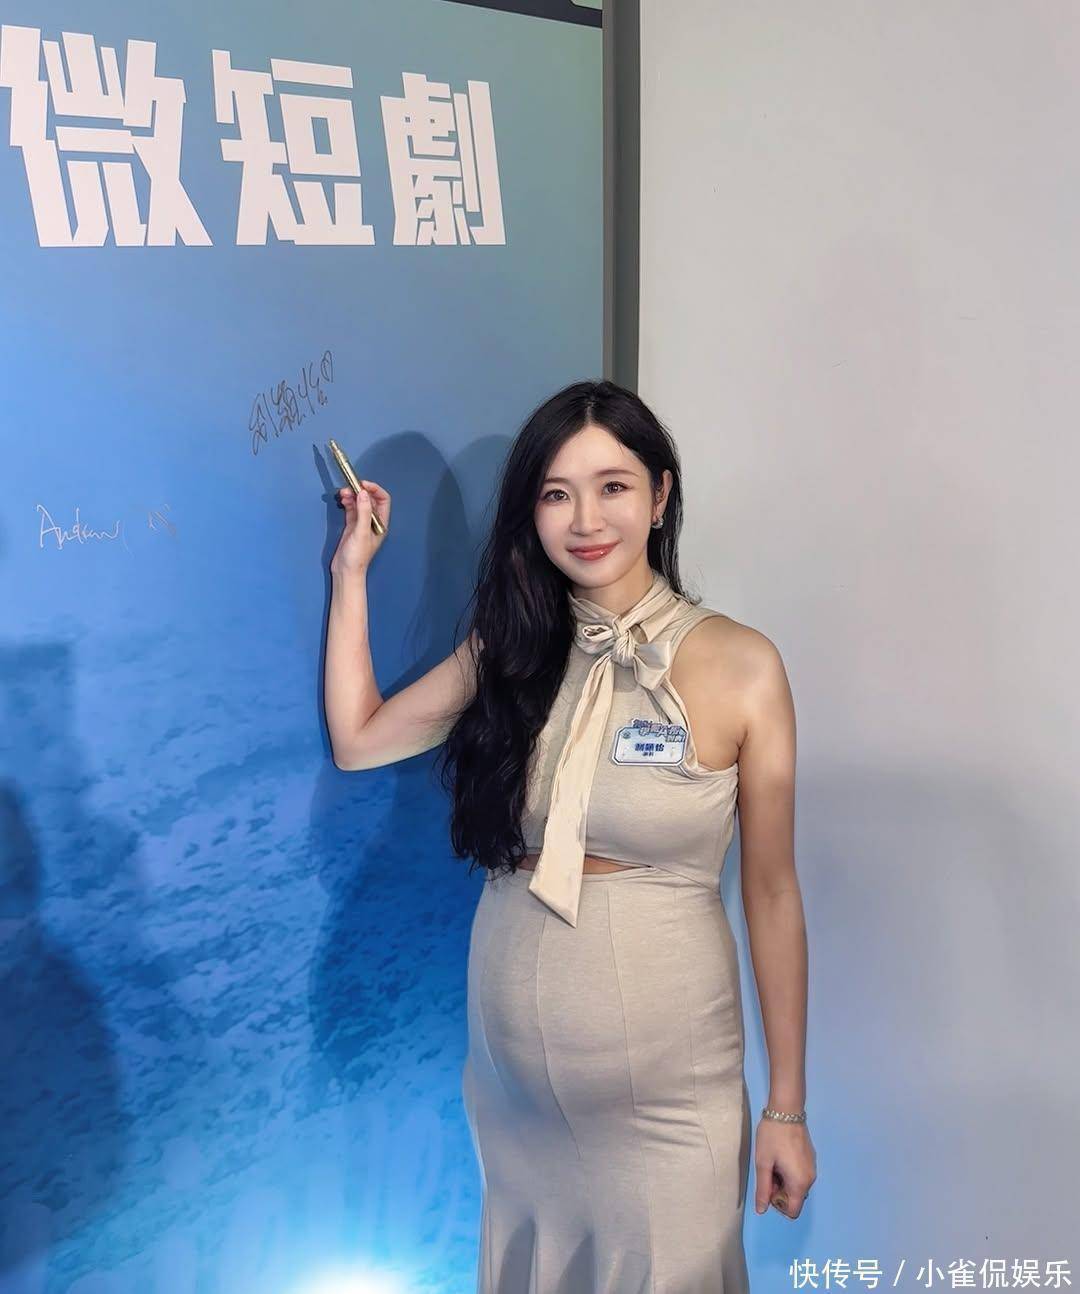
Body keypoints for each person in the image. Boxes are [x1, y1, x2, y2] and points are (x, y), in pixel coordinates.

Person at [324, 378, 816, 1293]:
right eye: (556, 494)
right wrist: (351, 573)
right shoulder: (508, 648)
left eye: (612, 487)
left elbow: (773, 891)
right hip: (512, 1089)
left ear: (660, 496)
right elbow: (359, 740)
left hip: (669, 1094)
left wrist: (785, 1107)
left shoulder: (743, 664)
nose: (585, 520)